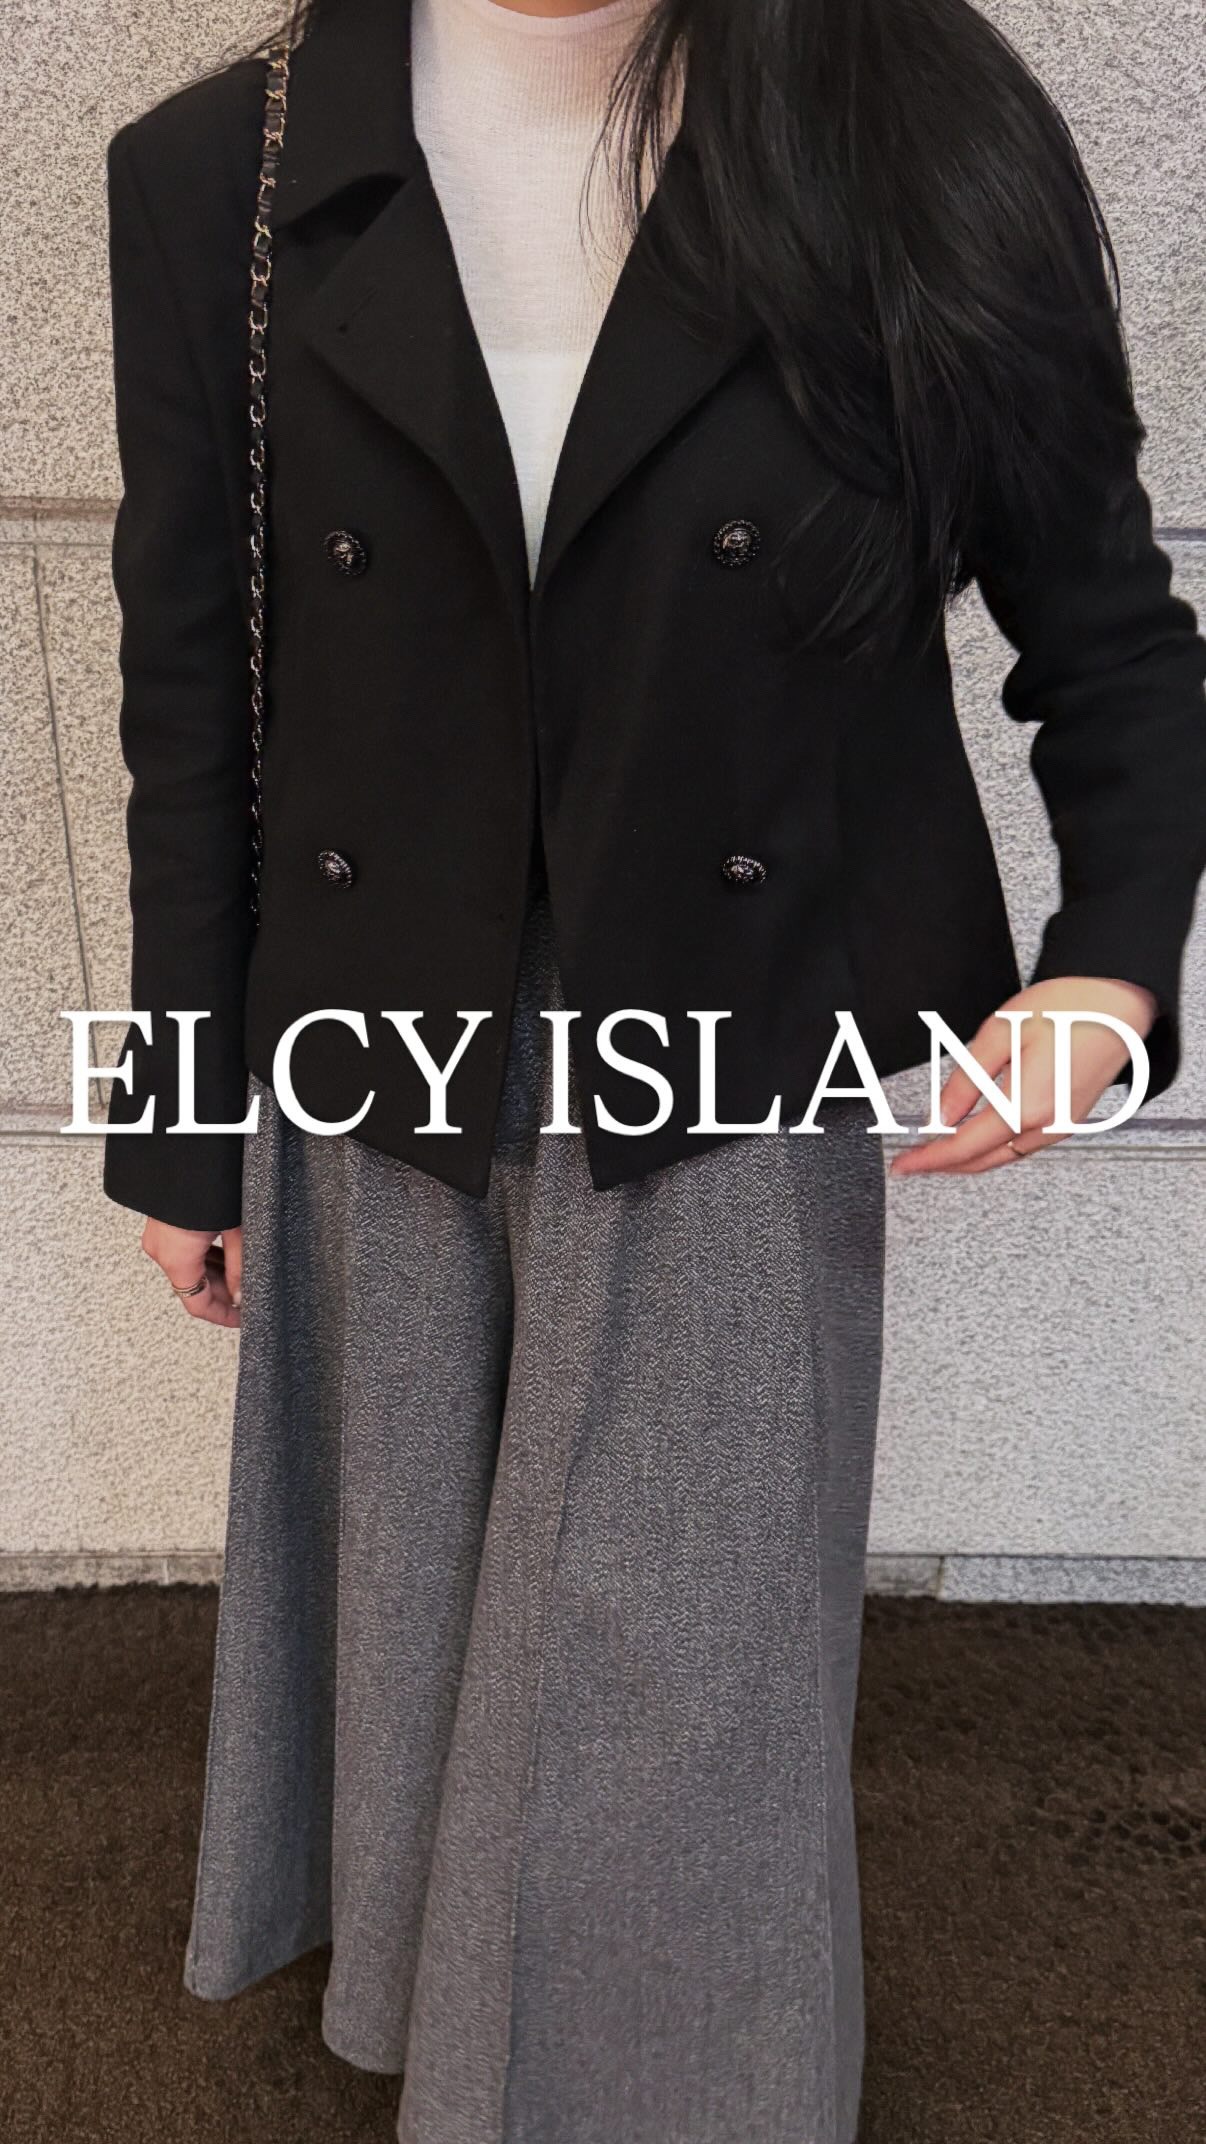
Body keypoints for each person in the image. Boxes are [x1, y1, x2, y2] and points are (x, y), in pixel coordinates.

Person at [101, 0, 1206, 2137]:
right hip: (371, 1018)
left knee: (673, 1658)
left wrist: (1109, 968)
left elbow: (1105, 618)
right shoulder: (216, 175)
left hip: (745, 1011)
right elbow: (193, 681)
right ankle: (454, 2042)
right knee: (414, 1606)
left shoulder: (906, 114)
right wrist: (180, 1116)